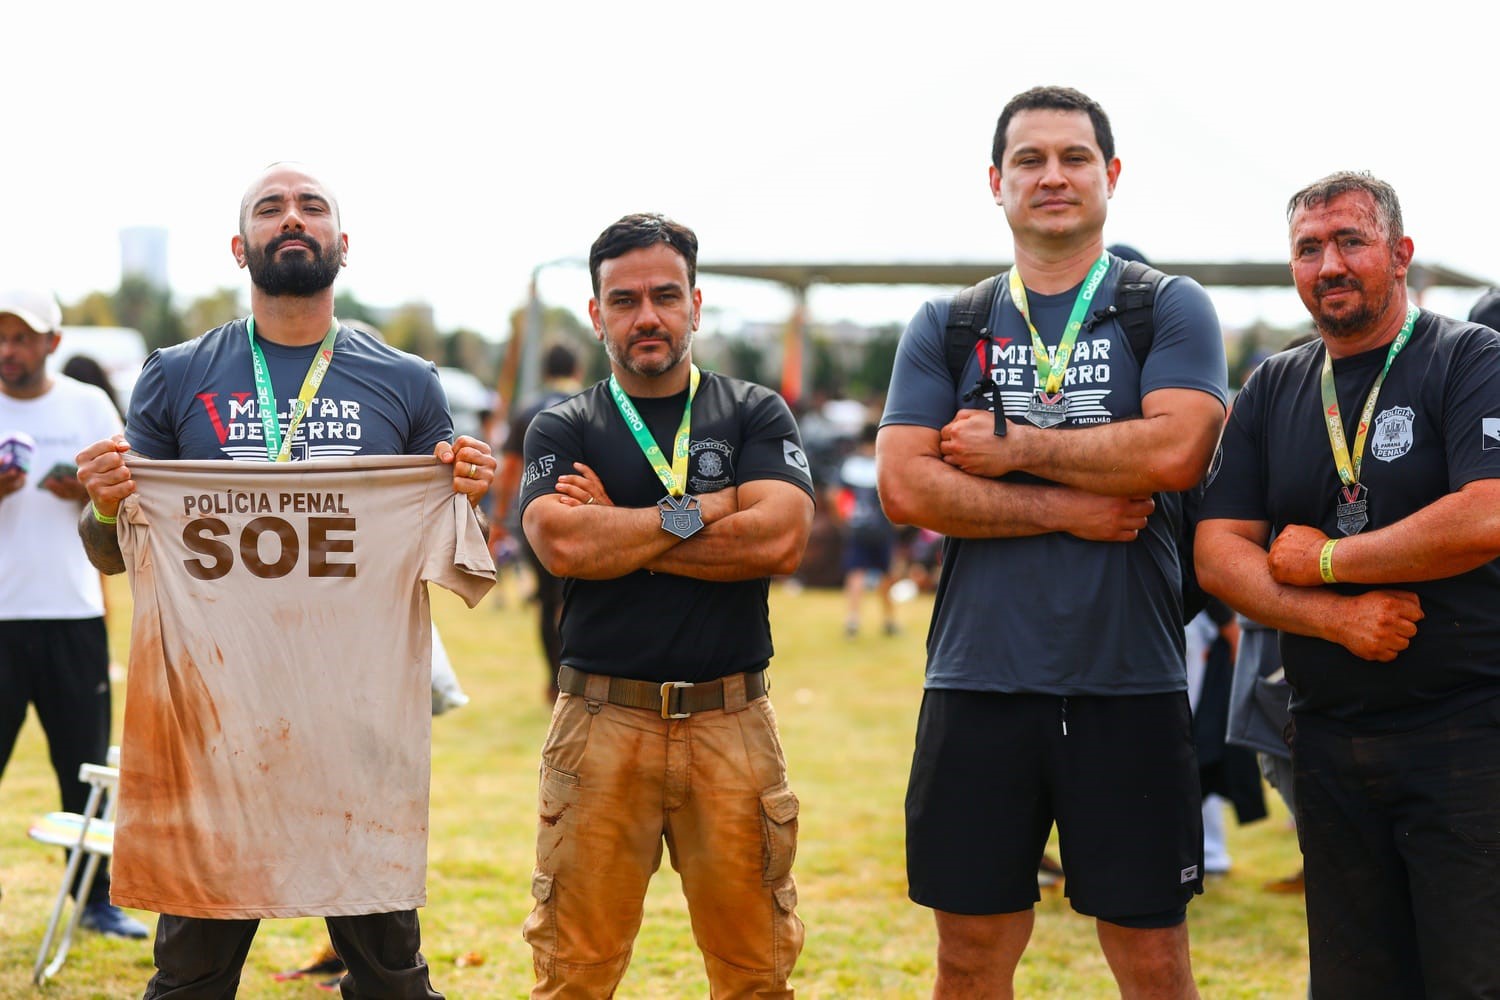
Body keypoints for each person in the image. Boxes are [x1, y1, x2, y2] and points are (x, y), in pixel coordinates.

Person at [73, 162, 496, 999]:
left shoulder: (408, 382)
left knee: (389, 980)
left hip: (356, 726)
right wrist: (100, 506)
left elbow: (455, 561)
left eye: (312, 207)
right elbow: (114, 551)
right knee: (191, 978)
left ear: (344, 244)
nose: (291, 218)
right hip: (215, 725)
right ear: (241, 246)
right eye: (270, 209)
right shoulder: (176, 373)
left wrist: (470, 492)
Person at [877, 85, 1227, 998]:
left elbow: (1181, 447)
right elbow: (906, 484)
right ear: (996, 183)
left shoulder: (1167, 308)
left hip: (1130, 682)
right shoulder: (948, 323)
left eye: (1074, 157)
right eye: (1029, 160)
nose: (1053, 176)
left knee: (1153, 961)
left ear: (1110, 176)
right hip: (977, 679)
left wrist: (1016, 452)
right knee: (970, 957)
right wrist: (1065, 506)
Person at [1196, 170, 1500, 997]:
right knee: (1353, 979)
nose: (1328, 264)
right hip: (1327, 738)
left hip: (1467, 738)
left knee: (1472, 975)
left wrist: (1329, 561)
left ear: (1400, 254)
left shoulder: (1471, 358)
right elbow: (1219, 550)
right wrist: (1335, 619)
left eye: (1350, 241)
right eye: (1307, 248)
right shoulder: (1273, 385)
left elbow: (1487, 513)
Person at [517, 213, 814, 997]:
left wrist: (624, 523)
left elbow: (780, 541)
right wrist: (706, 508)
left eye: (664, 295)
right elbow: (564, 546)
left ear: (695, 303)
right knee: (573, 975)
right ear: (596, 314)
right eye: (624, 300)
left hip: (733, 724)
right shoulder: (565, 423)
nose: (646, 316)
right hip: (599, 724)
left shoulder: (752, 411)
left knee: (756, 975)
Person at [0, 288, 148, 939]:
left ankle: (95, 902)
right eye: (0, 337)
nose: (8, 350)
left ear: (52, 343)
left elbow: (132, 494)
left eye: (22, 337)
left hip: (73, 613)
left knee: (83, 767)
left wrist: (88, 493)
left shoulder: (87, 404)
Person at [492, 342, 583, 701]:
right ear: (576, 370)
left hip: (537, 521)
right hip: (585, 517)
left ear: (545, 371)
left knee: (548, 601)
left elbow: (510, 470)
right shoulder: (594, 403)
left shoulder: (528, 409)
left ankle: (553, 681)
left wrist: (500, 520)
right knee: (581, 601)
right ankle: (579, 678)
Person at [837, 420, 899, 637]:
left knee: (856, 572)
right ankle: (890, 620)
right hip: (881, 527)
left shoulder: (850, 465)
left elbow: (838, 496)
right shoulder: (883, 463)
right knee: (886, 574)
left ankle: (852, 619)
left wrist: (844, 520)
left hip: (857, 526)